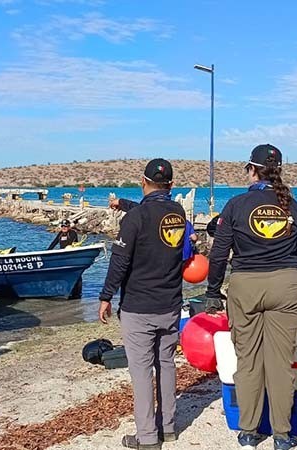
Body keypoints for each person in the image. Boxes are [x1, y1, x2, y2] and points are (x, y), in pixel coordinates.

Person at [204, 144, 297, 450]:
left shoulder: (236, 204)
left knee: (248, 360)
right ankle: (282, 434)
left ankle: (249, 431)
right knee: (281, 362)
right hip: (287, 284)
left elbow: (219, 253)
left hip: (246, 285)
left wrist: (213, 291)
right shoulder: (293, 205)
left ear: (252, 170)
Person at [99, 158, 187, 450]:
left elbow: (119, 261)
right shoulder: (178, 212)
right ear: (171, 185)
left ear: (143, 181)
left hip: (139, 306)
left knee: (141, 371)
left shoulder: (135, 218)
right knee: (166, 364)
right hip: (170, 303)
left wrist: (105, 296)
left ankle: (148, 437)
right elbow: (185, 253)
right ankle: (169, 427)